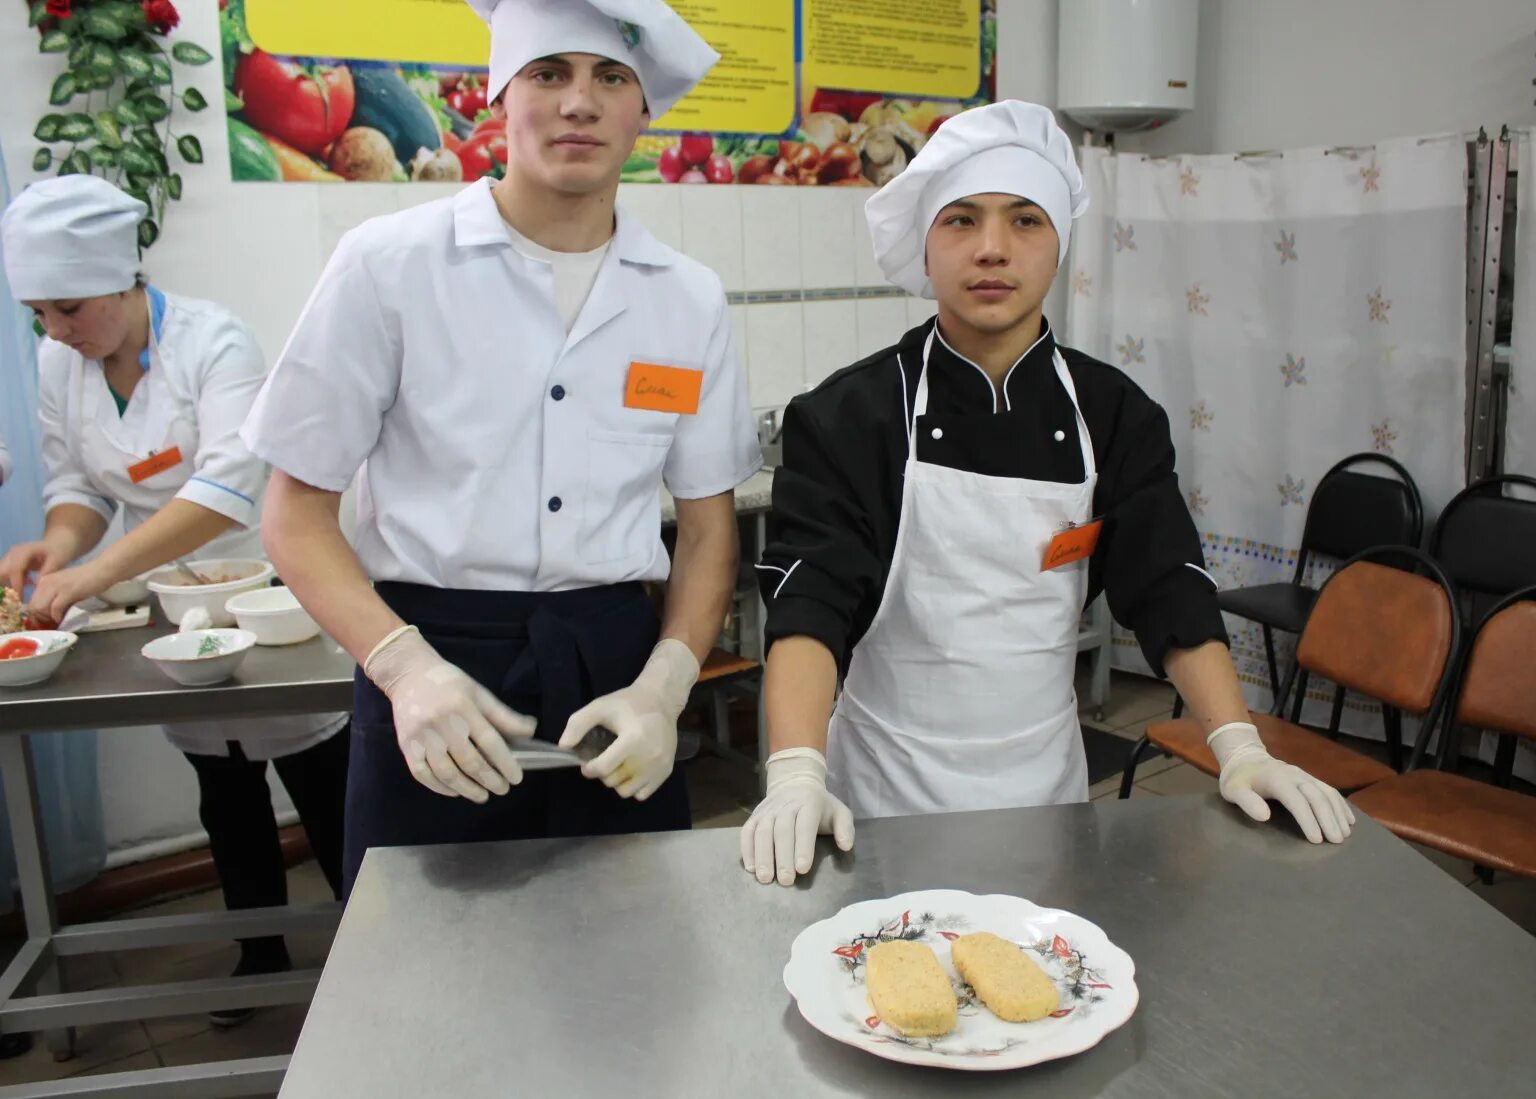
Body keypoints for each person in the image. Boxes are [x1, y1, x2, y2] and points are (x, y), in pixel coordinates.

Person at [739, 101, 1355, 886]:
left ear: (1059, 245)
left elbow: (1166, 584)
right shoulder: (847, 416)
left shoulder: (1113, 414)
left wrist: (1238, 746)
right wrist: (796, 772)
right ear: (924, 247)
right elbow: (810, 600)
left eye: (1024, 220)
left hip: (1046, 793)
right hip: (880, 800)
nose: (992, 248)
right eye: (961, 221)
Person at [242, 0, 759, 894]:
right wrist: (403, 670)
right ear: (499, 97)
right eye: (547, 74)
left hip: (614, 673)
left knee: (627, 967)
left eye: (611, 79)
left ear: (643, 114)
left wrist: (667, 684)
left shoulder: (686, 299)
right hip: (431, 661)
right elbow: (293, 512)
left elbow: (709, 528)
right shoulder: (390, 265)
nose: (579, 103)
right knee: (426, 979)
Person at [0, 176, 350, 1024]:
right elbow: (80, 484)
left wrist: (91, 574)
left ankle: (374, 949)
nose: (56, 330)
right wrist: (59, 545)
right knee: (221, 782)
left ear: (122, 279)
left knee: (324, 780)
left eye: (70, 309)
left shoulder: (213, 340)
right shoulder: (62, 361)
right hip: (170, 603)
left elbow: (228, 486)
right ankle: (258, 951)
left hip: (267, 587)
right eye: (40, 313)